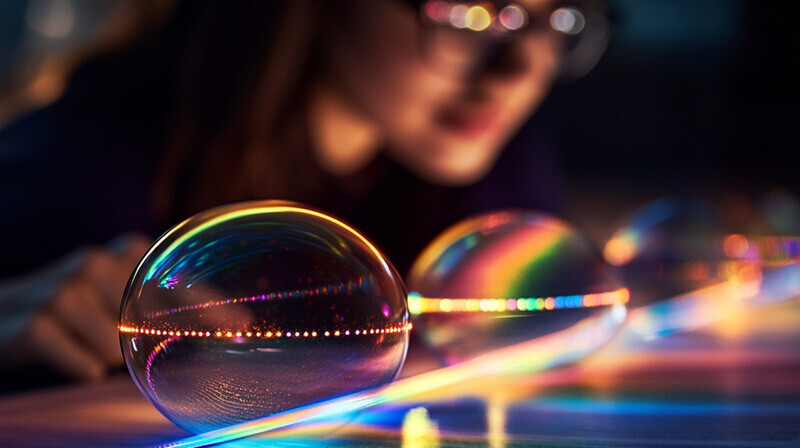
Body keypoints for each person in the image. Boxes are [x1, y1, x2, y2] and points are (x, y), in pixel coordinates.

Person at [0, 0, 611, 385]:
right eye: (471, 9)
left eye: (558, 16)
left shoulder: (501, 163)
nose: (521, 69)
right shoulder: (84, 166)